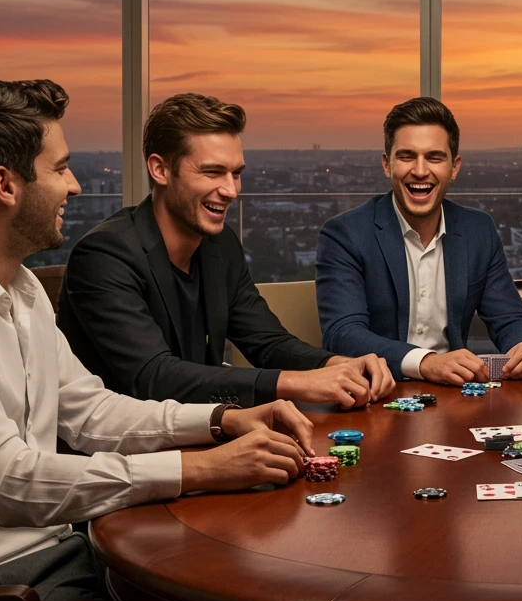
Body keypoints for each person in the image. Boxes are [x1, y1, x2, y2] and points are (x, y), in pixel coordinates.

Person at [0, 79, 320, 601]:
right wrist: (200, 469)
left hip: (69, 557)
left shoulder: (21, 288)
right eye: (60, 168)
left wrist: (220, 421)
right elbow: (5, 482)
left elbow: (92, 411)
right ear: (4, 185)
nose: (77, 184)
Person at [58, 93, 393, 409]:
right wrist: (297, 383)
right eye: (212, 172)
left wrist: (338, 364)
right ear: (159, 170)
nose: (231, 190)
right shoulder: (104, 255)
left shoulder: (220, 244)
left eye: (236, 173)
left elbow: (267, 341)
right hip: (114, 458)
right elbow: (153, 377)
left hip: (197, 434)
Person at [316, 97, 522, 384]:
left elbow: (511, 318)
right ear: (387, 165)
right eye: (407, 156)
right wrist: (426, 362)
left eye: (434, 157)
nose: (421, 170)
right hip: (377, 396)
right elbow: (343, 334)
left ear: (455, 167)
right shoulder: (345, 234)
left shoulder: (478, 230)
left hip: (457, 400)